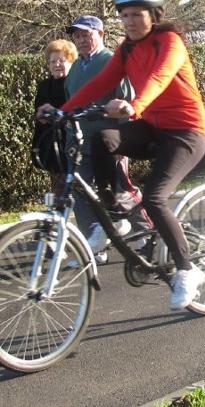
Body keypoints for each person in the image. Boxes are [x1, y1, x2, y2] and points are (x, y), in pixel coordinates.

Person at [54, 0, 205, 312]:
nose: (129, 22)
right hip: (153, 127)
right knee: (104, 139)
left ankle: (188, 270)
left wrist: (134, 105)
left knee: (155, 197)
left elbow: (159, 77)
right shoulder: (126, 48)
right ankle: (116, 215)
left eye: (136, 14)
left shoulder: (170, 42)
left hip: (186, 132)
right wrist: (62, 112)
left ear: (154, 15)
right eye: (124, 16)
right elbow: (101, 82)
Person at [63, 15, 145, 250]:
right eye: (77, 35)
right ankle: (94, 247)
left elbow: (127, 103)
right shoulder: (77, 67)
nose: (80, 39)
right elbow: (72, 103)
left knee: (120, 192)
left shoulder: (111, 61)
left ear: (101, 35)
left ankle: (145, 233)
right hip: (82, 142)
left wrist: (123, 143)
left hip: (109, 142)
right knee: (82, 193)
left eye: (86, 34)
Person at [31, 39, 78, 197]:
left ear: (71, 61)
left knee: (74, 190)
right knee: (58, 189)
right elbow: (38, 110)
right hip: (53, 145)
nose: (57, 64)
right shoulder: (44, 86)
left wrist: (57, 112)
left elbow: (76, 109)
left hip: (73, 142)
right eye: (53, 61)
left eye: (61, 60)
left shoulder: (75, 84)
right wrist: (41, 116)